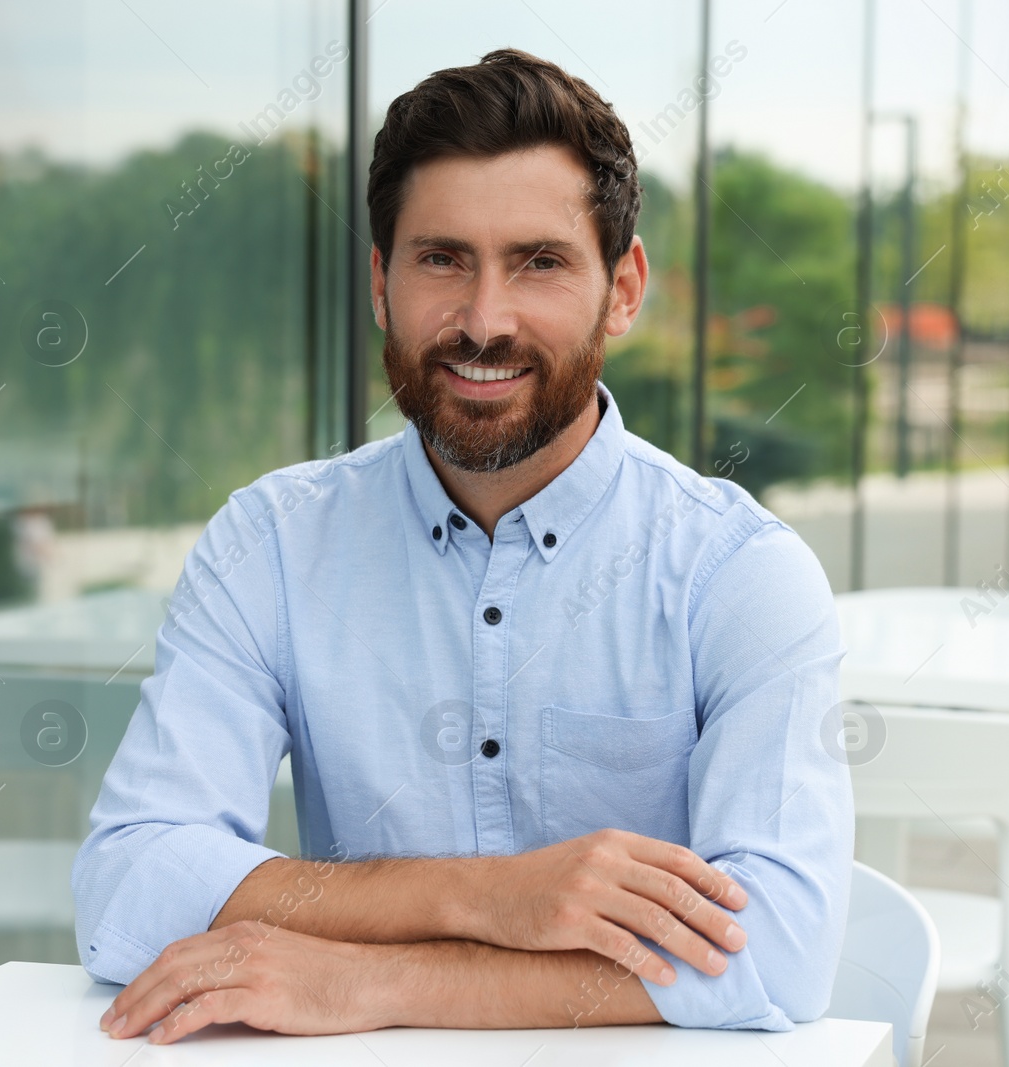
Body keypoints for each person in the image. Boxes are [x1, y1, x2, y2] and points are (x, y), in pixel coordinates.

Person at [72, 47, 853, 1046]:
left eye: (538, 261)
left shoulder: (738, 571)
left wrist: (365, 982)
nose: (484, 321)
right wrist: (487, 897)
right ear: (380, 284)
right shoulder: (269, 545)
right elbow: (125, 884)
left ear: (622, 289)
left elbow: (780, 948)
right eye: (441, 258)